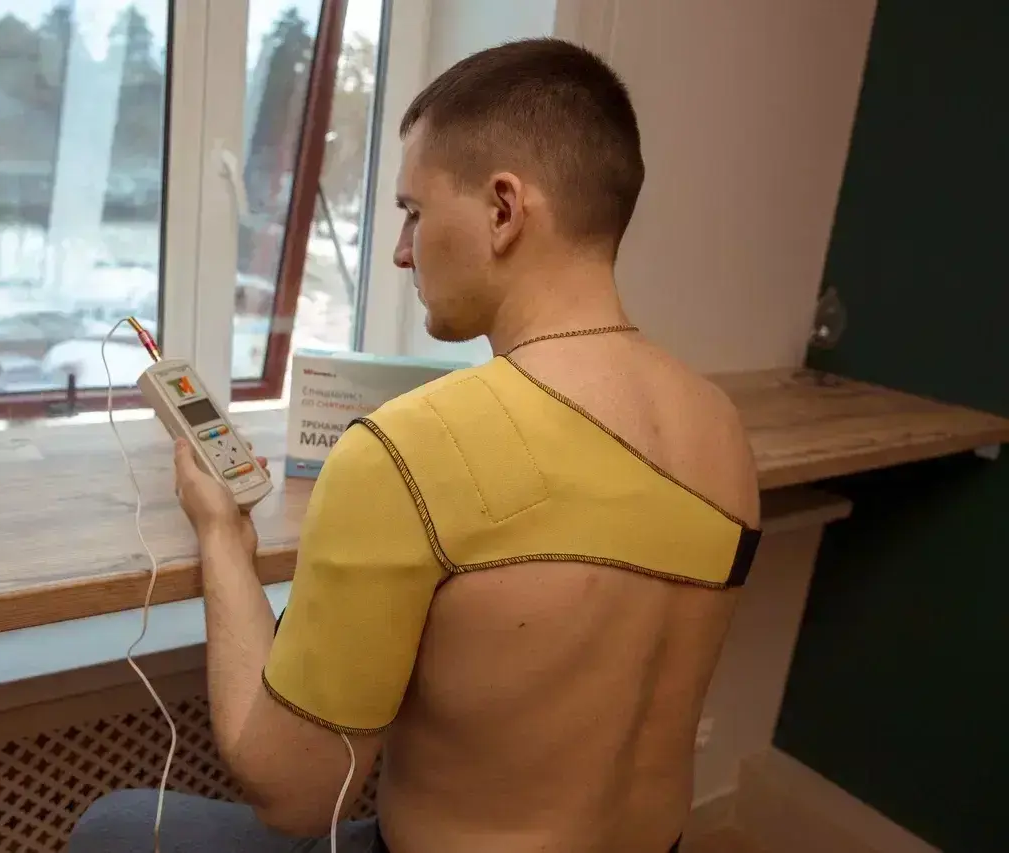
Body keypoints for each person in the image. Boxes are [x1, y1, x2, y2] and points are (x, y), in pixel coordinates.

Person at [69, 36, 761, 853]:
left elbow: (294, 795)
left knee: (113, 827)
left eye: (413, 211)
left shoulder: (407, 450)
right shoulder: (720, 428)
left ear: (503, 210)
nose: (401, 251)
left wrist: (222, 532)